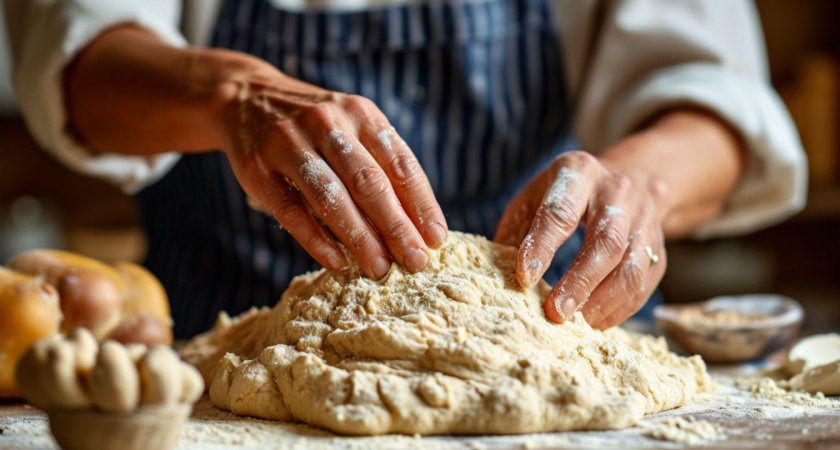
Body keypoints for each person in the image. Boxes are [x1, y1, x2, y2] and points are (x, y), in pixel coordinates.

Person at [4, 0, 806, 338]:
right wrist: (233, 94)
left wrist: (643, 182)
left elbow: (718, 99)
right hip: (232, 350)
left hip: (555, 339)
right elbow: (77, 60)